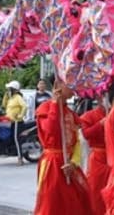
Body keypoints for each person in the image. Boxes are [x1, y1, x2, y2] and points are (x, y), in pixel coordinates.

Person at [33, 80, 92, 215]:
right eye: (69, 84)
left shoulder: (71, 113)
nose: (73, 88)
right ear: (57, 86)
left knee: (78, 201)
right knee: (52, 204)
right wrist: (55, 105)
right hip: (53, 164)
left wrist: (73, 162)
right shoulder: (45, 108)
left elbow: (77, 142)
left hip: (69, 164)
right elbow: (51, 132)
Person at [79, 95, 111, 215]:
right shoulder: (89, 116)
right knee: (96, 190)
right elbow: (86, 134)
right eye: (102, 96)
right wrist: (100, 124)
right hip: (98, 158)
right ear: (97, 98)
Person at [3, 80, 27, 163]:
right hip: (11, 122)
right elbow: (4, 105)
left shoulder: (18, 97)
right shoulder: (11, 98)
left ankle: (20, 158)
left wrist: (20, 115)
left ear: (14, 90)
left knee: (16, 139)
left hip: (17, 122)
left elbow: (24, 106)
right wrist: (6, 96)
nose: (8, 91)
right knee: (12, 138)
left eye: (9, 89)